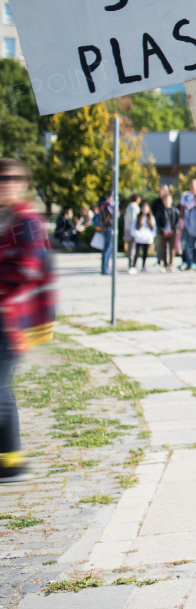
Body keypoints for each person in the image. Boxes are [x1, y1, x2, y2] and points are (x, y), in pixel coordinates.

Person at [0, 159, 52, 483]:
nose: (4, 183)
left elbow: (29, 267)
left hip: (15, 320)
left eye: (10, 178)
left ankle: (12, 461)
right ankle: (11, 456)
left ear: (22, 183)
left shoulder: (27, 221)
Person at [180, 180, 196, 271]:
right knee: (188, 246)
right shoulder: (186, 196)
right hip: (190, 229)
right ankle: (189, 263)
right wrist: (186, 225)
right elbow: (183, 210)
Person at [152, 185, 177, 272]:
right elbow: (157, 221)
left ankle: (171, 264)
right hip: (163, 232)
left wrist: (174, 230)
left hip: (172, 232)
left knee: (172, 249)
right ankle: (164, 264)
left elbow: (177, 222)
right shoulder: (159, 209)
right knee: (162, 248)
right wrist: (163, 231)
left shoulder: (174, 210)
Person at [130, 203, 156, 273]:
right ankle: (134, 266)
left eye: (146, 208)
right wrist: (136, 234)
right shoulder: (138, 217)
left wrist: (151, 236)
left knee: (145, 253)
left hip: (147, 238)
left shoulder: (151, 217)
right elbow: (133, 227)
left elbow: (154, 228)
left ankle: (144, 266)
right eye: (143, 208)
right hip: (139, 238)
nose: (145, 210)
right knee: (137, 252)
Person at [93, 196, 114, 276]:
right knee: (107, 249)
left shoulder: (102, 207)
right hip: (108, 229)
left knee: (106, 249)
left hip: (104, 229)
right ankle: (105, 268)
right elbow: (116, 214)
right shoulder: (108, 206)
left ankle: (105, 268)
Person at [123, 193, 142, 270]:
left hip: (128, 228)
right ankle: (131, 265)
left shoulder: (129, 206)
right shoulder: (134, 206)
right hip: (132, 229)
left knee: (131, 247)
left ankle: (131, 264)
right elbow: (134, 219)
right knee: (132, 247)